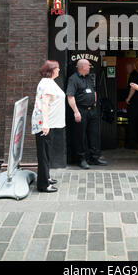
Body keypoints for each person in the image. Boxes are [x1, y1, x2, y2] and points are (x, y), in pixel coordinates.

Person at [66, 59, 107, 169]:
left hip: (92, 110)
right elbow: (70, 96)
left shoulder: (89, 77)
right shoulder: (73, 79)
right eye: (88, 66)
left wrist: (94, 102)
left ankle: (94, 157)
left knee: (94, 134)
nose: (90, 67)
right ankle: (81, 159)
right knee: (80, 136)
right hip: (81, 110)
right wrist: (76, 111)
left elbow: (94, 91)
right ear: (82, 67)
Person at [31, 60, 65, 192]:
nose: (59, 70)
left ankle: (46, 177)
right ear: (51, 70)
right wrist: (45, 124)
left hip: (49, 123)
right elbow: (44, 103)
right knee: (44, 154)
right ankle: (43, 184)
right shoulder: (47, 83)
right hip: (45, 125)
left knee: (46, 152)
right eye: (57, 68)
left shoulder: (49, 82)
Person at [125, 62, 138, 149]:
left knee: (132, 122)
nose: (127, 70)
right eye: (127, 68)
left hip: (134, 103)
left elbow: (132, 88)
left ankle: (132, 144)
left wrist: (128, 99)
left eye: (129, 68)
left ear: (133, 67)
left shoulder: (133, 76)